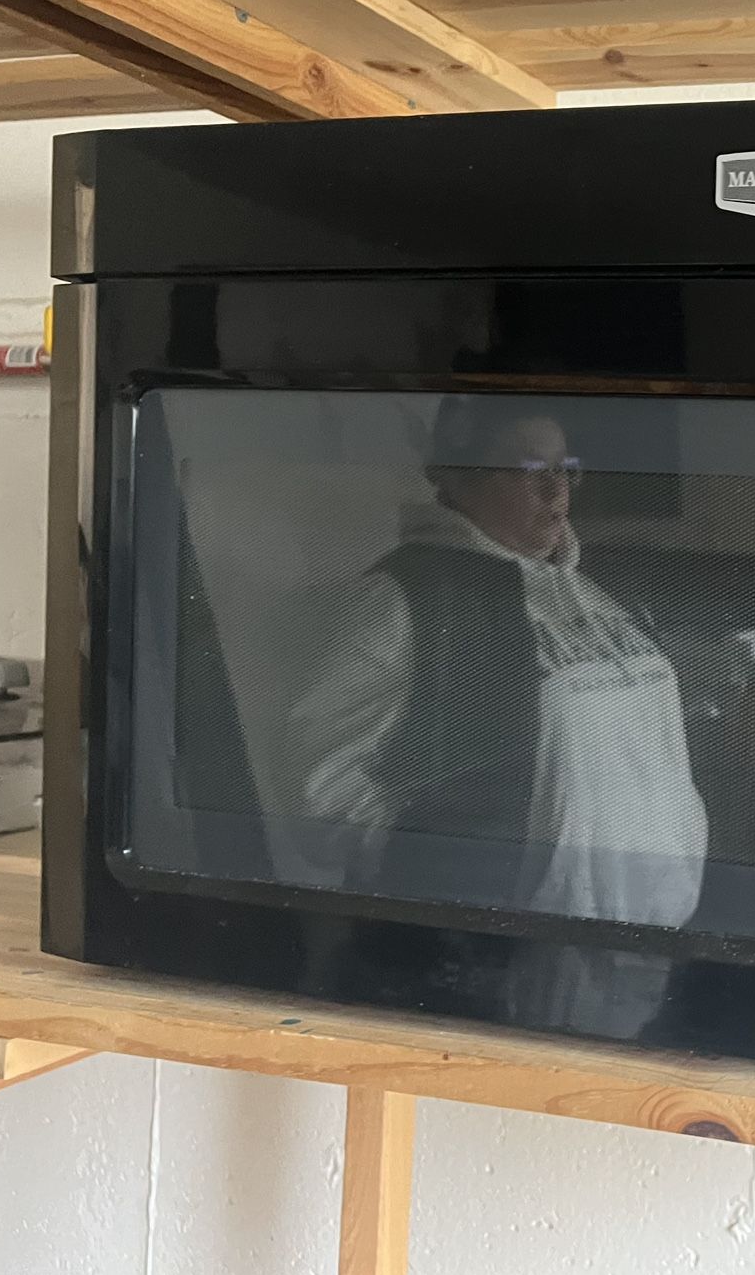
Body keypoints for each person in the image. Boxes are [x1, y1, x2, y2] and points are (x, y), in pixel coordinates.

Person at [287, 395, 708, 1035]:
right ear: (458, 478)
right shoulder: (408, 596)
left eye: (566, 468)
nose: (555, 488)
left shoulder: (593, 594)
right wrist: (449, 869)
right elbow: (318, 788)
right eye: (528, 468)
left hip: (643, 944)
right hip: (514, 959)